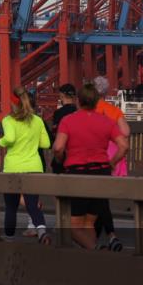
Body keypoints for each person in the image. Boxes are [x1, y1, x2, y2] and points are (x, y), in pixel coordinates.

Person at [52, 83, 129, 250]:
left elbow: (58, 147)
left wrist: (60, 160)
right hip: (101, 173)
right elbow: (124, 146)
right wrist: (112, 163)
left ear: (78, 101)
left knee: (71, 226)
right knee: (89, 222)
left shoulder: (68, 120)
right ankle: (92, 257)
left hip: (77, 173)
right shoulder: (107, 121)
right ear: (95, 101)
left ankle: (95, 250)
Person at [0, 86, 52, 244]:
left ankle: (9, 239)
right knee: (32, 204)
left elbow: (10, 138)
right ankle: (42, 232)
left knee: (11, 207)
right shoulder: (37, 120)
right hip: (34, 167)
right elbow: (46, 143)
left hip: (13, 168)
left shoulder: (8, 120)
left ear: (14, 104)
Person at [91, 76, 130, 251]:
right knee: (101, 199)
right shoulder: (113, 110)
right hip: (114, 156)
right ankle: (101, 238)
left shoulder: (90, 110)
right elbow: (126, 132)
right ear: (106, 92)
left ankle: (100, 239)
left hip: (96, 156)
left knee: (98, 199)